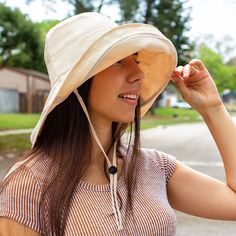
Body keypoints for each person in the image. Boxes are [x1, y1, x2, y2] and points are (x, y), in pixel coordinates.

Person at [0, 12, 235, 236]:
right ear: (78, 83)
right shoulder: (28, 184)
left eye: (136, 60)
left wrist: (212, 108)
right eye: (118, 61)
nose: (138, 74)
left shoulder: (154, 168)